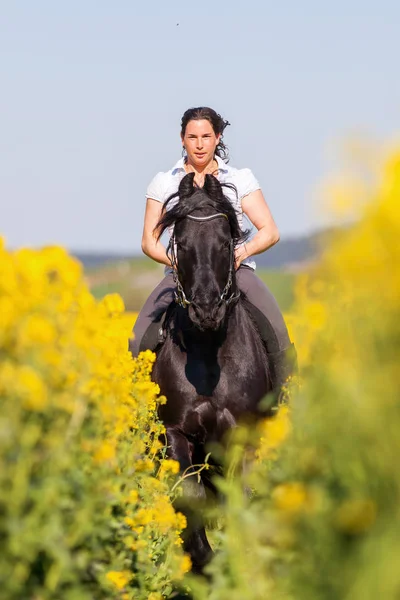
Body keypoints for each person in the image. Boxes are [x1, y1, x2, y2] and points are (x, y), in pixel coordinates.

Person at [131, 106, 296, 391]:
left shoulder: (239, 179)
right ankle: (132, 409)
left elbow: (270, 231)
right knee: (138, 338)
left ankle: (289, 399)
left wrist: (239, 254)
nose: (199, 144)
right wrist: (178, 264)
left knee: (276, 330)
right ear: (182, 139)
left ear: (218, 137)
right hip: (180, 277)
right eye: (192, 136)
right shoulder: (164, 182)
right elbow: (148, 241)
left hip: (235, 272)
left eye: (206, 136)